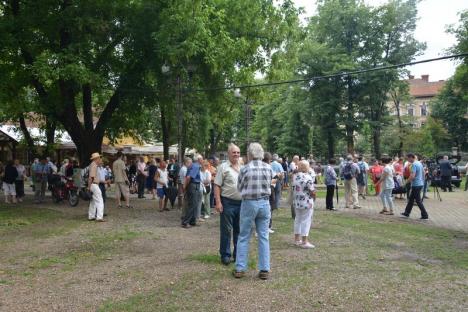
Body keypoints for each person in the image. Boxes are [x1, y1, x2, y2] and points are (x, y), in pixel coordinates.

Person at [233, 143, 273, 280]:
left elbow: (239, 187)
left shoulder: (245, 169)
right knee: (263, 236)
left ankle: (240, 268)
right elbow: (269, 184)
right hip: (264, 203)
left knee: (244, 235)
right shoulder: (268, 168)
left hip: (249, 203)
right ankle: (264, 269)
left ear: (250, 154)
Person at [214, 143, 242, 265]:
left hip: (242, 203)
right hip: (227, 203)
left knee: (239, 230)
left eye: (238, 152)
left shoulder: (243, 167)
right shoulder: (223, 167)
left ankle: (237, 255)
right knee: (226, 230)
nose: (236, 154)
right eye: (234, 152)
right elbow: (217, 185)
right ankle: (225, 255)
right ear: (229, 153)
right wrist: (218, 202)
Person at [292, 160, 316, 248]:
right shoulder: (308, 177)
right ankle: (304, 241)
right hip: (306, 202)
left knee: (297, 220)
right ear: (306, 167)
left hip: (297, 202)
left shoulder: (295, 176)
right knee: (306, 220)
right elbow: (312, 190)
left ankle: (296, 239)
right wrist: (314, 197)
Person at [401, 153, 429, 220]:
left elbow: (412, 176)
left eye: (408, 158)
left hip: (416, 185)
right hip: (419, 184)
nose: (407, 160)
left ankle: (425, 215)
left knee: (418, 201)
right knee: (411, 199)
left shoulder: (413, 165)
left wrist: (405, 183)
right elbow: (423, 173)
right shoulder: (419, 163)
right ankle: (406, 213)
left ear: (411, 157)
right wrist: (422, 181)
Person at [182, 156, 202, 228]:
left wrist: (185, 186)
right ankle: (185, 222)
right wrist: (185, 186)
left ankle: (192, 221)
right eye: (201, 159)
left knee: (194, 204)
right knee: (192, 205)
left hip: (193, 186)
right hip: (193, 186)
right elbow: (188, 177)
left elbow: (187, 177)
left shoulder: (192, 166)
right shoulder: (196, 166)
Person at [88, 153, 105, 222]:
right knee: (100, 200)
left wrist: (89, 186)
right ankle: (99, 217)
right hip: (94, 184)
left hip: (92, 184)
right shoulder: (94, 165)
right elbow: (91, 177)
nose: (100, 159)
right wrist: (89, 187)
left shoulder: (92, 165)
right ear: (96, 159)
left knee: (93, 201)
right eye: (99, 158)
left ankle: (91, 216)